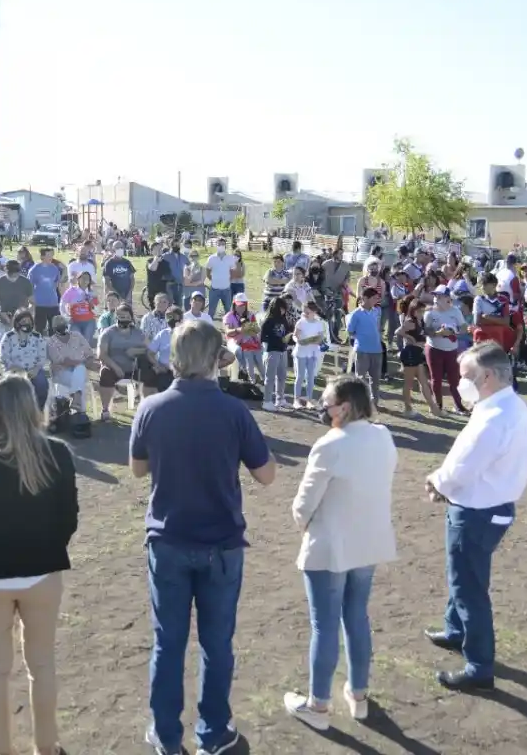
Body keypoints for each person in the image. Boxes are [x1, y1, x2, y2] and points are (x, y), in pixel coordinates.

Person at [129, 321, 275, 755]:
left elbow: (137, 469)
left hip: (168, 539)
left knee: (168, 643)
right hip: (222, 544)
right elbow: (266, 475)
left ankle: (167, 736)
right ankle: (213, 734)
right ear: (215, 360)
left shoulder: (151, 407)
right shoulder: (233, 410)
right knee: (216, 644)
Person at [0, 374, 78, 755]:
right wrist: (45, 549)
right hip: (42, 573)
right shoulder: (57, 452)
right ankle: (46, 745)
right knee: (42, 666)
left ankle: (2, 749)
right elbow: (68, 519)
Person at [283, 375, 397, 729]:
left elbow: (304, 504)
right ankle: (358, 693)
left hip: (331, 545)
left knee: (325, 624)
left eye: (327, 403)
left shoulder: (330, 443)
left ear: (345, 407)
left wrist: (305, 526)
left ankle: (318, 706)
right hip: (368, 542)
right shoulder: (383, 435)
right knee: (357, 616)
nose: (322, 408)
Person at [422, 343, 527, 691]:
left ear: (486, 376)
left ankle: (480, 666)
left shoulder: (494, 417)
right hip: (491, 507)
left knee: (468, 586)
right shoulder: (508, 405)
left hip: (477, 511)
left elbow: (462, 467)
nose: (460, 381)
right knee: (466, 576)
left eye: (466, 375)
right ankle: (456, 631)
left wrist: (436, 482)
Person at [96, 304, 147, 422]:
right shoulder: (108, 333)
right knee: (105, 373)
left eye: (126, 316)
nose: (123, 319)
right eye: (120, 316)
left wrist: (137, 351)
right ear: (116, 317)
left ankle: (146, 408)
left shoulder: (138, 333)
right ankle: (105, 410)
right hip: (113, 368)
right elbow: (101, 354)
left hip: (134, 369)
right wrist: (115, 367)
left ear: (131, 317)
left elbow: (151, 349)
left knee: (150, 371)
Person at [425, 287, 467, 414]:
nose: (436, 298)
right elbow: (426, 331)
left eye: (440, 296)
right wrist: (439, 333)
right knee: (436, 379)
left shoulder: (455, 311)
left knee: (454, 379)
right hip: (434, 349)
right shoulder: (430, 313)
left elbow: (464, 327)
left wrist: (455, 332)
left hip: (452, 350)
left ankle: (459, 405)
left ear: (448, 298)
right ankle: (437, 406)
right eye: (435, 295)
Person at [396, 298, 441, 417]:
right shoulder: (410, 322)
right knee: (409, 383)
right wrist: (411, 339)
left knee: (424, 382)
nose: (421, 313)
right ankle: (407, 409)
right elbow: (398, 332)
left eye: (422, 311)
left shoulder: (420, 322)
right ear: (413, 310)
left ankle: (434, 408)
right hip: (410, 353)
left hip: (418, 354)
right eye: (419, 311)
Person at [0, 308, 50, 410]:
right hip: (14, 370)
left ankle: (38, 412)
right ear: (17, 322)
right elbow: (4, 356)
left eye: (28, 321)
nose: (26, 324)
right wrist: (16, 369)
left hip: (33, 370)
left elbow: (42, 355)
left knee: (42, 384)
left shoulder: (37, 336)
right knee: (15, 388)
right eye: (23, 321)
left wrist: (35, 370)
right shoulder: (8, 337)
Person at [48, 315, 95, 414]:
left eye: (63, 324)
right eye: (58, 325)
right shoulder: (51, 342)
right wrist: (81, 362)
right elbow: (63, 361)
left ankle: (76, 402)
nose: (62, 327)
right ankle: (80, 410)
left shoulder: (77, 336)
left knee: (80, 370)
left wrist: (86, 362)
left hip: (79, 371)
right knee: (80, 372)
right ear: (54, 328)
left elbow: (90, 354)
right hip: (61, 373)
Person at [292, 300, 327, 409]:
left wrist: (318, 341)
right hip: (301, 352)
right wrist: (298, 341)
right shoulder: (301, 322)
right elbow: (295, 335)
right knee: (300, 376)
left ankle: (309, 399)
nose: (305, 314)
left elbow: (321, 337)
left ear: (314, 312)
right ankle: (296, 400)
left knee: (310, 377)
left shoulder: (318, 323)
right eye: (304, 312)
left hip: (312, 353)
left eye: (308, 312)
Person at [223, 294, 264, 385]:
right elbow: (227, 332)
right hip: (233, 340)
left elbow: (255, 331)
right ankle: (244, 370)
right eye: (239, 305)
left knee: (259, 353)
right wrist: (238, 330)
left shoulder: (250, 315)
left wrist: (257, 340)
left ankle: (262, 377)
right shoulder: (229, 316)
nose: (241, 307)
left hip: (247, 340)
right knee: (238, 350)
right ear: (234, 305)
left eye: (243, 305)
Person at [143, 307, 184, 397]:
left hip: (182, 372)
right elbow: (150, 353)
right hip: (164, 371)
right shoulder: (162, 334)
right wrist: (157, 365)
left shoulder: (187, 335)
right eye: (169, 317)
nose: (172, 320)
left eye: (175, 317)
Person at [261, 296, 293, 411]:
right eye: (281, 308)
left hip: (282, 350)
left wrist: (289, 339)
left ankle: (280, 399)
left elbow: (288, 332)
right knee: (269, 377)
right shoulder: (268, 321)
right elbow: (263, 337)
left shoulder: (284, 320)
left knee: (282, 376)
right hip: (272, 351)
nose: (283, 311)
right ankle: (267, 400)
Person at [0, 260, 34, 336]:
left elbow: (33, 303)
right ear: (5, 270)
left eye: (16, 271)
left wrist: (25, 315)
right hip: (5, 322)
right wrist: (2, 314)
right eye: (12, 271)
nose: (14, 274)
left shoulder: (26, 282)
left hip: (23, 322)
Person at [29, 248, 66, 335]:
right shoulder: (34, 270)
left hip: (53, 303)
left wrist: (64, 270)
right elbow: (29, 286)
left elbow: (58, 283)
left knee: (54, 329)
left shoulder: (54, 268)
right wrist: (31, 300)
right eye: (48, 255)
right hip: (40, 304)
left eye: (52, 255)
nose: (51, 257)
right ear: (42, 257)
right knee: (39, 329)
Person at [60, 271, 99, 344]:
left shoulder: (92, 293)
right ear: (78, 279)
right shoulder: (71, 290)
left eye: (87, 279)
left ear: (89, 281)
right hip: (75, 322)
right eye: (83, 278)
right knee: (76, 341)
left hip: (89, 322)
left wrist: (91, 303)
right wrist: (65, 316)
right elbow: (62, 304)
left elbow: (97, 310)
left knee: (86, 342)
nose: (85, 280)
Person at [204, 237, 236, 319]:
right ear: (216, 245)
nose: (221, 246)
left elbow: (232, 273)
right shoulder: (211, 258)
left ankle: (228, 329)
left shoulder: (230, 258)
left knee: (228, 312)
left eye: (223, 244)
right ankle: (209, 329)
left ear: (225, 246)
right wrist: (214, 279)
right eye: (219, 244)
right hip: (214, 289)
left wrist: (226, 280)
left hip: (226, 290)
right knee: (211, 311)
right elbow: (207, 271)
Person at [102, 244, 136, 310]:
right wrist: (117, 296)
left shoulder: (127, 262)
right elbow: (107, 282)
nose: (120, 249)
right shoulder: (109, 263)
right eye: (117, 247)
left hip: (127, 294)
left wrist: (129, 292)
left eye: (121, 247)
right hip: (114, 295)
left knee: (127, 313)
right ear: (113, 249)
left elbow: (132, 279)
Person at [145, 242, 172, 310]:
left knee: (164, 312)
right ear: (151, 251)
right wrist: (156, 259)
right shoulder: (149, 261)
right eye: (156, 249)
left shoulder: (166, 263)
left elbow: (169, 277)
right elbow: (153, 268)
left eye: (160, 249)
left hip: (163, 293)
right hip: (152, 292)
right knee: (153, 312)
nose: (158, 251)